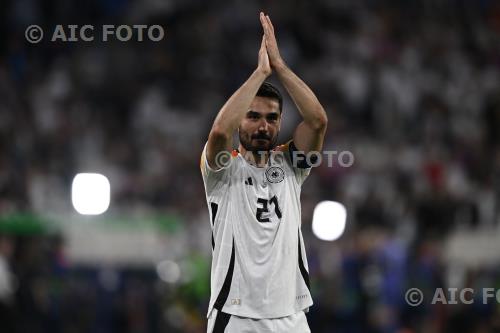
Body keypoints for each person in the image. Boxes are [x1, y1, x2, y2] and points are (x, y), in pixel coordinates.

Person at [200, 12, 328, 333]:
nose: (262, 125)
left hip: (291, 315)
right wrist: (260, 74)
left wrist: (280, 68)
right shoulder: (222, 170)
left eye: (271, 118)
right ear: (240, 121)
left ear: (280, 123)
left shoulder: (291, 165)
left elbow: (317, 122)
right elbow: (218, 132)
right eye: (252, 116)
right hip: (236, 315)